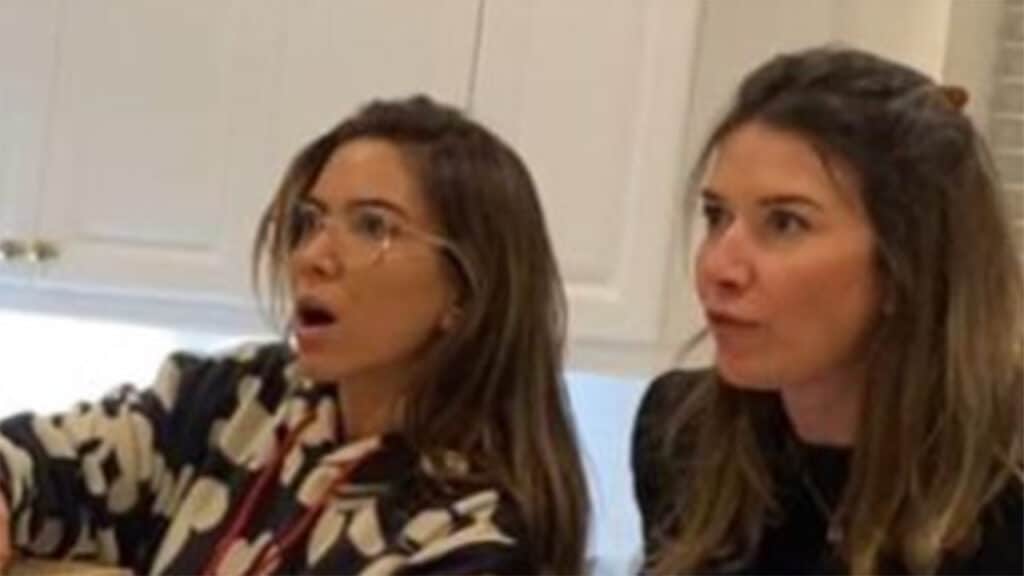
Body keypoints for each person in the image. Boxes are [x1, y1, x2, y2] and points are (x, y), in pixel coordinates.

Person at [0, 95, 589, 574]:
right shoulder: (242, 400)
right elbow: (47, 460)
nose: (311, 256)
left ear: (466, 290)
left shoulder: (477, 540)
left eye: (372, 226)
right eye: (310, 221)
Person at [632, 46, 1023, 575]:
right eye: (717, 215)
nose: (719, 266)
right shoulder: (680, 439)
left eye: (785, 223)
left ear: (906, 266)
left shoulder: (1005, 496)